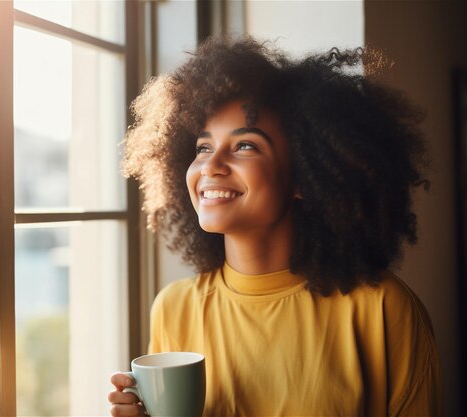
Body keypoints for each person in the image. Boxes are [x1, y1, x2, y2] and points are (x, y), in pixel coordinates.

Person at [108, 35, 442, 416]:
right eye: (202, 147)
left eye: (245, 146)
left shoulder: (383, 308)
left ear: (304, 176)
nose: (211, 165)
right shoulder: (174, 308)